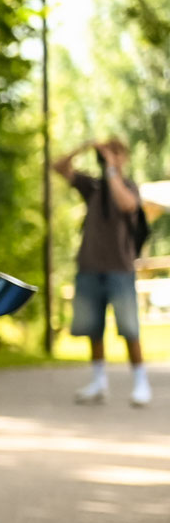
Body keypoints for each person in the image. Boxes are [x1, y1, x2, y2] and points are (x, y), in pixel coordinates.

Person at [53, 138, 151, 407]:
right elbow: (58, 167)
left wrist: (111, 170)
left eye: (116, 152)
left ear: (124, 157)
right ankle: (98, 382)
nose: (109, 156)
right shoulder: (92, 186)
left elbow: (127, 204)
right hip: (89, 267)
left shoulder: (128, 186)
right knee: (92, 329)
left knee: (129, 328)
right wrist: (84, 147)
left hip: (120, 268)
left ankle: (141, 383)